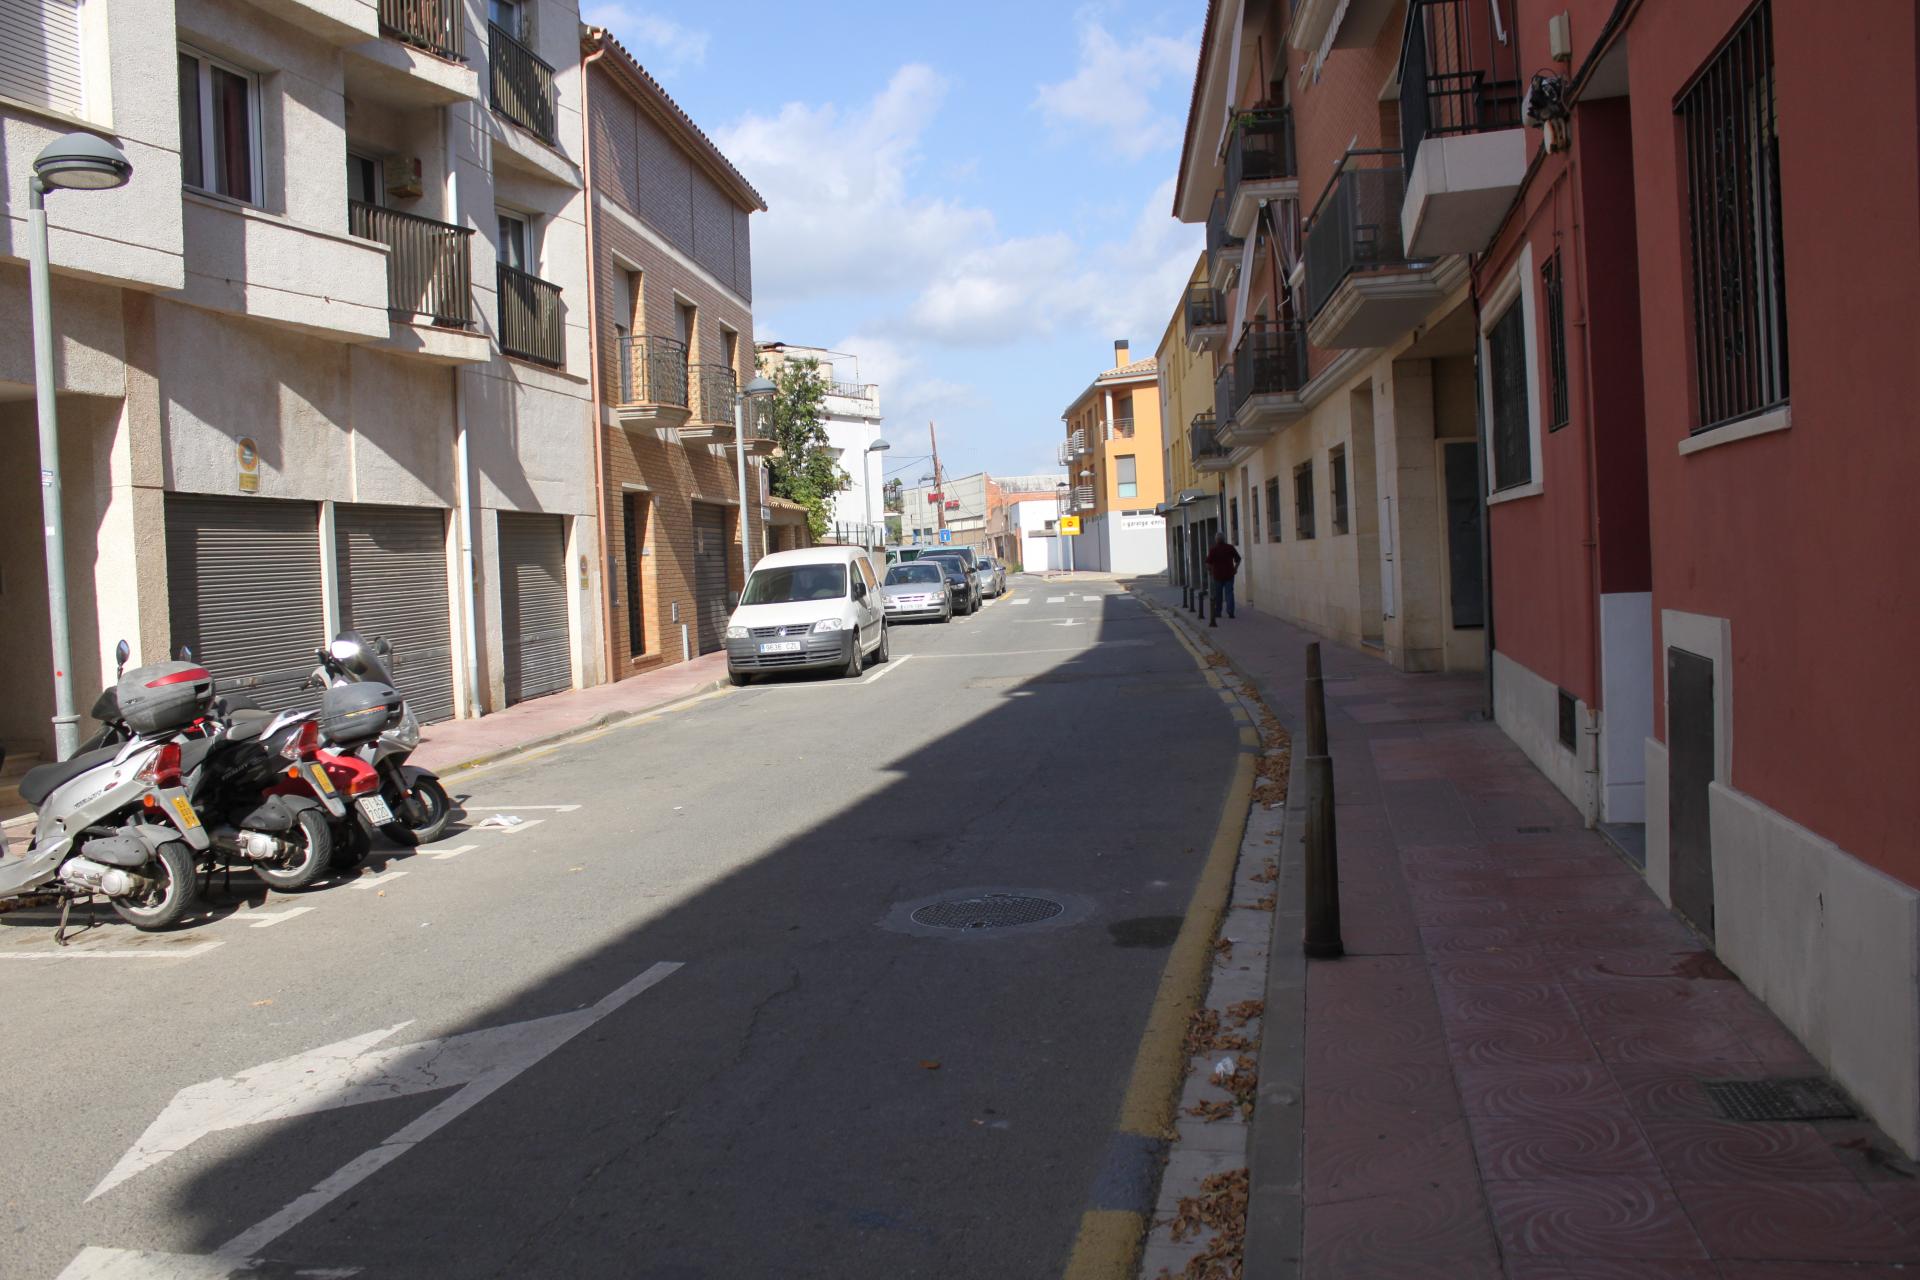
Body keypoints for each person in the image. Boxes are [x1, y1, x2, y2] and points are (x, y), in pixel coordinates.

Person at [1205, 533, 1241, 626]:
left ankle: (1218, 612)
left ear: (1216, 540)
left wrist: (1210, 571)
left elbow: (1208, 563)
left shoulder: (1213, 550)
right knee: (1229, 593)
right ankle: (1230, 612)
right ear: (1224, 539)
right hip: (1229, 574)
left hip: (1217, 576)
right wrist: (1235, 568)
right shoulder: (1230, 548)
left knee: (1218, 595)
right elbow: (1238, 559)